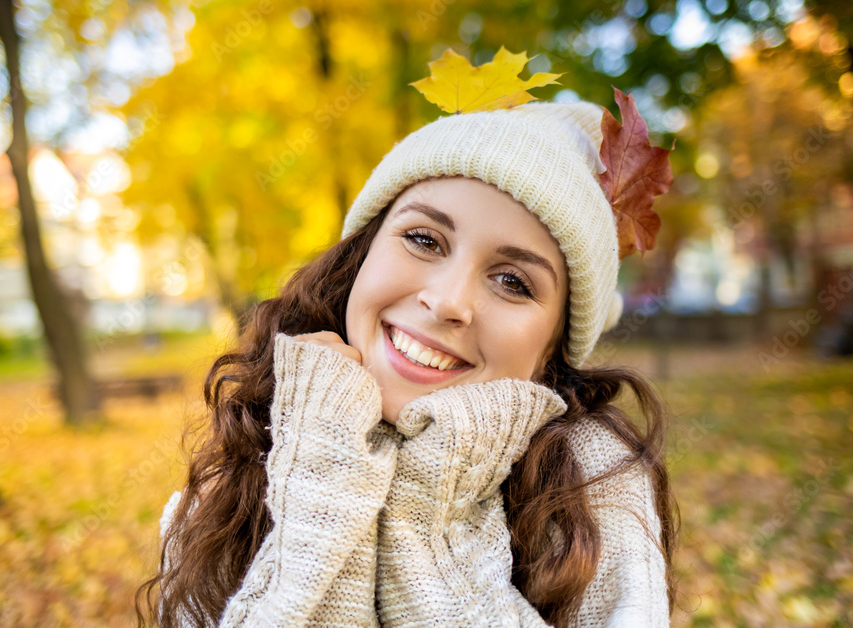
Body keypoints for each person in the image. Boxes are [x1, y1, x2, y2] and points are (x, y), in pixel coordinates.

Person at [136, 86, 679, 627]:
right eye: (424, 240)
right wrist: (324, 471)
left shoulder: (595, 491)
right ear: (361, 256)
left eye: (512, 281)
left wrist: (430, 514)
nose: (447, 301)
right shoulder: (233, 479)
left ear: (551, 351)